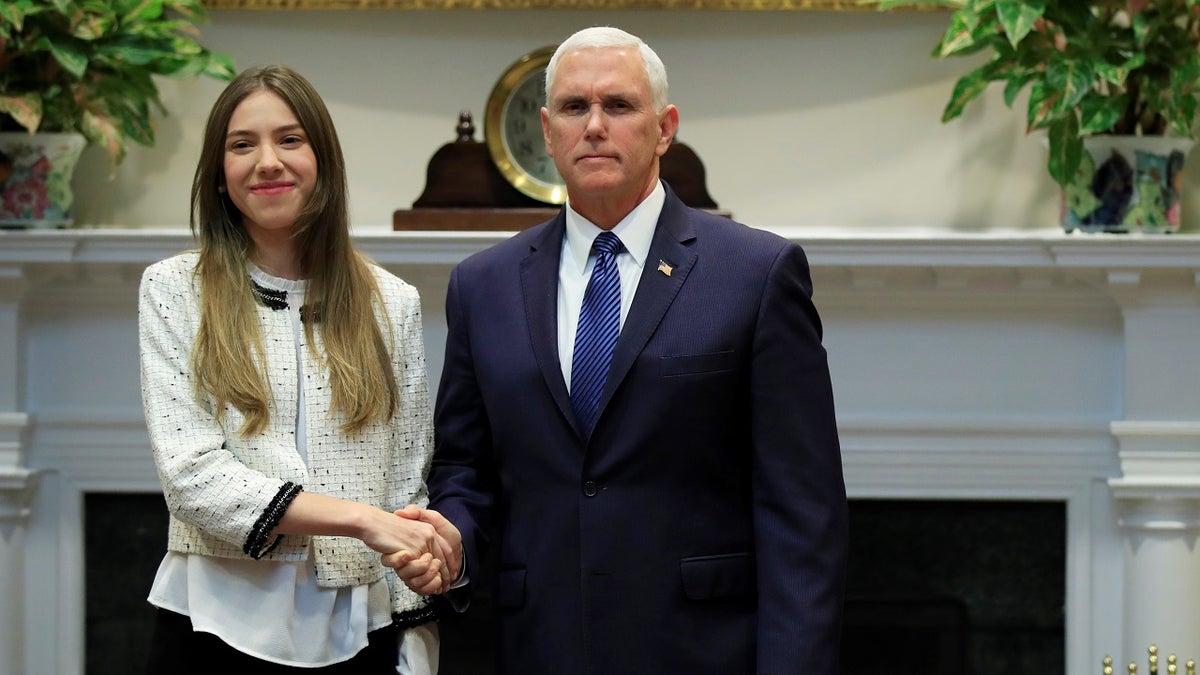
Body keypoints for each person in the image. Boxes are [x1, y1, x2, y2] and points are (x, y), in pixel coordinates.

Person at [392, 26, 848, 674]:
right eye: (575, 108)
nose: (595, 126)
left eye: (619, 106)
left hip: (704, 652)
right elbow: (466, 470)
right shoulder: (482, 286)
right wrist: (453, 538)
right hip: (537, 646)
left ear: (665, 128)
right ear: (548, 133)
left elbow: (803, 514)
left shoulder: (756, 274)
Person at [137, 65, 454, 674]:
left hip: (360, 631)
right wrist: (364, 522)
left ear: (323, 161)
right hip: (212, 623)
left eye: (289, 139)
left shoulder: (393, 303)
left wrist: (418, 630)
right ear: (220, 175)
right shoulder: (173, 289)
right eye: (241, 144)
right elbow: (191, 477)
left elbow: (406, 488)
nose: (267, 162)